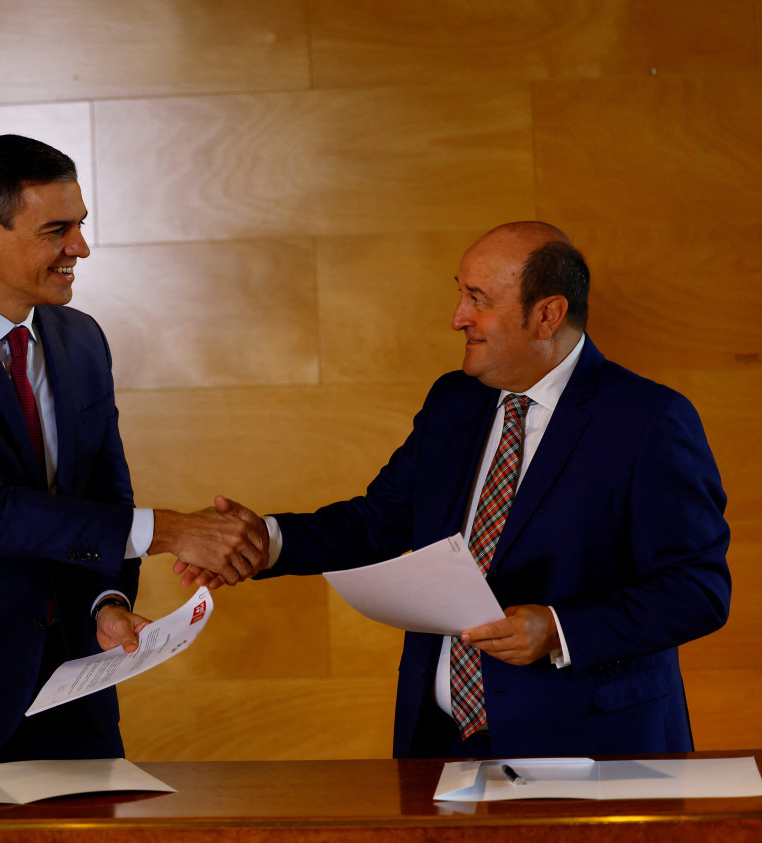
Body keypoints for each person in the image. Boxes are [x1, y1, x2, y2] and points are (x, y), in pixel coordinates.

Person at [184, 221, 731, 759]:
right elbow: (378, 522)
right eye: (460, 294)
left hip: (592, 749)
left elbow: (697, 589)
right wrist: (264, 540)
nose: (457, 318)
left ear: (547, 315)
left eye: (479, 299)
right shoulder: (454, 401)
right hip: (443, 747)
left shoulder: (649, 419)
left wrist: (560, 629)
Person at [0, 134, 262, 763]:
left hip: (76, 688)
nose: (80, 248)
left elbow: (104, 492)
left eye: (81, 226)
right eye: (57, 230)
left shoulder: (83, 340)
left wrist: (108, 601)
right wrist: (173, 531)